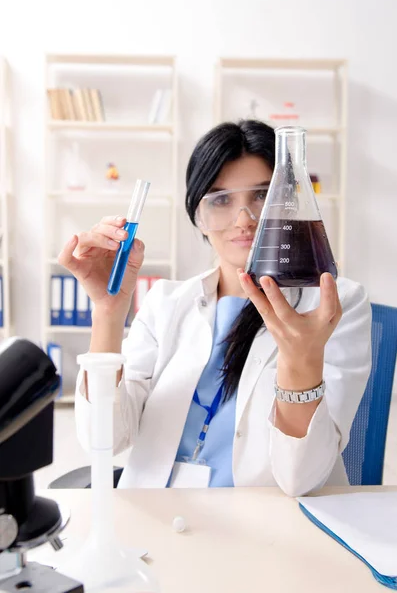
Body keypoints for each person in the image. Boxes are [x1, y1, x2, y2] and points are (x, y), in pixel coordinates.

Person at [58, 120, 372, 496]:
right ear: (199, 218)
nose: (244, 220)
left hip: (266, 531)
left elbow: (302, 479)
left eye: (261, 196)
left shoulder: (334, 305)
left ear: (290, 202)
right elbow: (103, 438)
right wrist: (108, 312)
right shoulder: (166, 303)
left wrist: (301, 361)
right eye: (221, 200)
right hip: (156, 515)